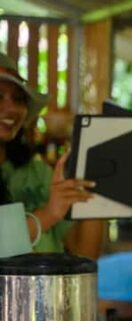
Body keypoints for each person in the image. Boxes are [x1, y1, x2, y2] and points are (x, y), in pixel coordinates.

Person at [0, 52, 104, 258]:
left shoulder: (38, 173)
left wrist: (96, 190)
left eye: (19, 99)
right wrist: (49, 213)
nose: (11, 108)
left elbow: (84, 254)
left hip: (48, 289)